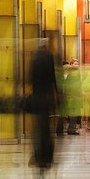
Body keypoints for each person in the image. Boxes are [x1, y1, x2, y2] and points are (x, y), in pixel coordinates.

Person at [28, 41, 59, 171]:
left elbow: (31, 79)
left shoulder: (34, 58)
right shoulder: (49, 57)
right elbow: (52, 78)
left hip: (37, 97)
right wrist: (56, 95)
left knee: (38, 129)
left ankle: (39, 156)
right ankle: (47, 157)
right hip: (47, 97)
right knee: (45, 128)